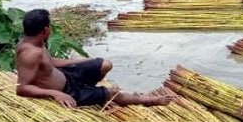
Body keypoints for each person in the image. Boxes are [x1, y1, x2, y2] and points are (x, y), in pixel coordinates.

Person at [15, 9, 175, 108]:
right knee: (113, 93)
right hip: (68, 91)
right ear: (45, 30)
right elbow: (22, 88)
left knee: (105, 64)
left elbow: (50, 63)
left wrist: (81, 61)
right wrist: (55, 94)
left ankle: (94, 92)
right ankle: (150, 101)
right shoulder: (30, 53)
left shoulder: (36, 41)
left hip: (66, 76)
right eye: (50, 26)